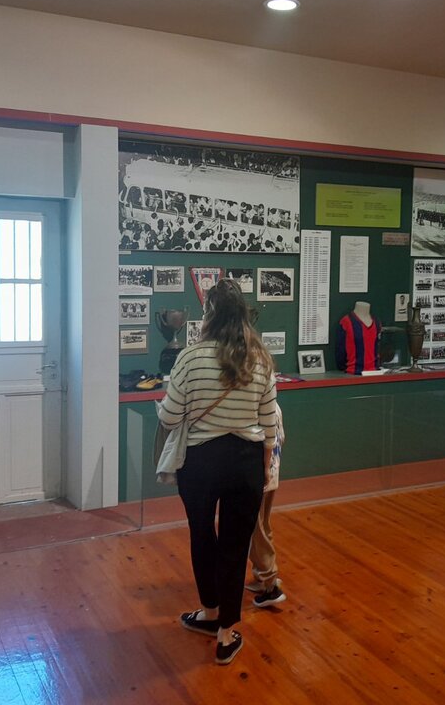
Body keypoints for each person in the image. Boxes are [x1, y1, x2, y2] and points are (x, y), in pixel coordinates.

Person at [156, 278, 277, 665]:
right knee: (235, 545)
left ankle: (209, 612)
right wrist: (264, 466)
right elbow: (269, 422)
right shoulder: (260, 358)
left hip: (201, 461)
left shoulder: (190, 358)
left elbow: (170, 417)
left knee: (202, 535)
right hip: (246, 460)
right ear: (244, 313)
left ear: (208, 313)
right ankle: (226, 634)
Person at [246, 403, 287, 607]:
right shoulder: (274, 406)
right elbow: (282, 438)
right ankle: (262, 577)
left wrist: (263, 470)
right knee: (262, 525)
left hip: (259, 478)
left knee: (257, 530)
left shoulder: (257, 408)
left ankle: (271, 584)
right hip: (270, 474)